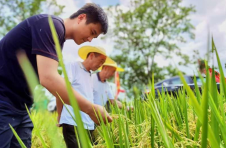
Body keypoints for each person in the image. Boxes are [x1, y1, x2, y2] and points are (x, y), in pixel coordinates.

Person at [0, 3, 112, 148]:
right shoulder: (50, 25)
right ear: (81, 18)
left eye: (94, 37)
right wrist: (91, 109)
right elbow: (48, 78)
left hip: (21, 106)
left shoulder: (58, 38)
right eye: (92, 32)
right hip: (3, 100)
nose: (90, 39)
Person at [59, 46, 112, 148]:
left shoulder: (90, 75)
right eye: (100, 61)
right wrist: (59, 116)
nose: (100, 65)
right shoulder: (73, 66)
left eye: (103, 63)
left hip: (87, 123)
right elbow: (62, 90)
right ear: (91, 56)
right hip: (72, 121)